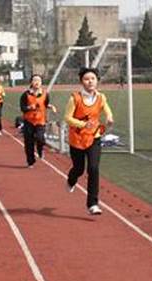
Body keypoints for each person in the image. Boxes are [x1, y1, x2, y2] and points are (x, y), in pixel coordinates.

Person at [64, 67, 113, 215]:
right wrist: (83, 124)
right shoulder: (75, 98)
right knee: (78, 169)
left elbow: (106, 109)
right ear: (81, 82)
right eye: (86, 79)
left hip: (94, 137)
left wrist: (109, 117)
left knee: (93, 168)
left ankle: (92, 204)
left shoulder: (101, 97)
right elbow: (67, 118)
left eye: (92, 78)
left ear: (97, 80)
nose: (90, 81)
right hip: (77, 139)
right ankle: (71, 180)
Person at [20, 74, 57, 168]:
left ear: (41, 83)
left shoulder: (45, 94)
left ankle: (40, 150)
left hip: (40, 120)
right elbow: (22, 108)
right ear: (31, 82)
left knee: (40, 138)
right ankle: (30, 161)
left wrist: (51, 106)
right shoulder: (26, 94)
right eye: (35, 80)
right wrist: (29, 107)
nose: (37, 82)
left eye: (39, 80)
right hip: (29, 121)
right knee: (29, 142)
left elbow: (45, 104)